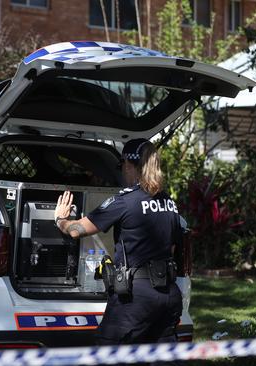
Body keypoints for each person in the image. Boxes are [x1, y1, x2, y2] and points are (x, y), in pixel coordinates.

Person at [53, 138, 183, 346]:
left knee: (109, 353)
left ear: (130, 165)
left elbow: (77, 231)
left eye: (122, 166)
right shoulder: (169, 203)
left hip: (136, 299)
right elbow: (173, 246)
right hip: (168, 294)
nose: (122, 171)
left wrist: (61, 220)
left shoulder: (123, 201)